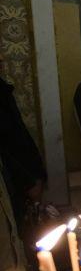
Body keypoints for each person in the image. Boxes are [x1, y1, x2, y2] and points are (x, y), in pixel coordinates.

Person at [0, 54, 47, 229]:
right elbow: (6, 148)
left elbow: (19, 137)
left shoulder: (3, 91)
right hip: (12, 181)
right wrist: (28, 181)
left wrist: (37, 175)